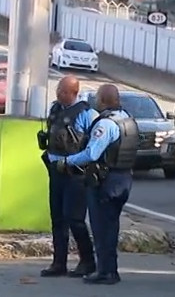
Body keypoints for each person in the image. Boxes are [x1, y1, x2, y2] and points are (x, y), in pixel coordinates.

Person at [54, 84, 139, 285]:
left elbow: (92, 153)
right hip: (124, 179)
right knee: (111, 226)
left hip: (106, 182)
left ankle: (106, 272)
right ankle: (109, 269)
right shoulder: (127, 119)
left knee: (101, 229)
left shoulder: (106, 124)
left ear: (102, 100)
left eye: (98, 98)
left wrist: (66, 161)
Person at [38, 75, 99, 278]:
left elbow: (93, 146)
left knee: (75, 219)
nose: (59, 94)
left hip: (76, 174)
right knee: (57, 219)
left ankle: (88, 261)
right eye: (58, 90)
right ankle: (58, 263)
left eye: (63, 91)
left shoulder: (87, 114)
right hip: (55, 170)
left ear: (74, 93)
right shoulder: (55, 109)